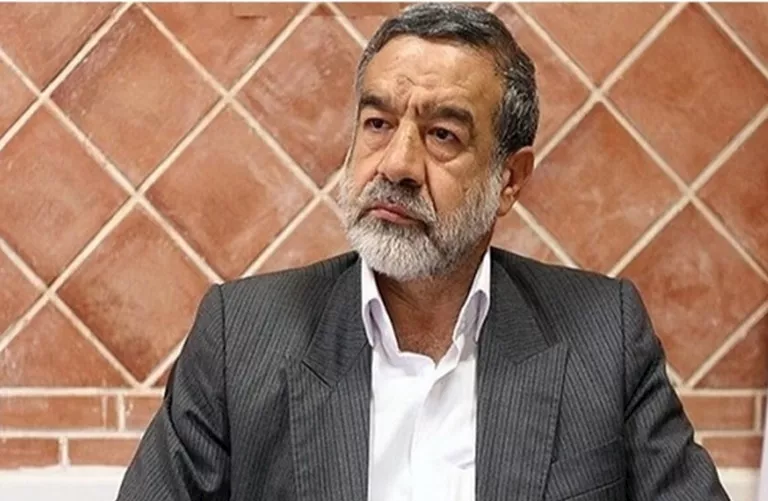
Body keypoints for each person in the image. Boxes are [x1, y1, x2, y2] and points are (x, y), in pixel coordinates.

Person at [116, 3, 730, 500]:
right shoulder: (241, 336)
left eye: (442, 135)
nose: (397, 165)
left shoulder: (603, 336)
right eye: (378, 124)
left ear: (509, 180)